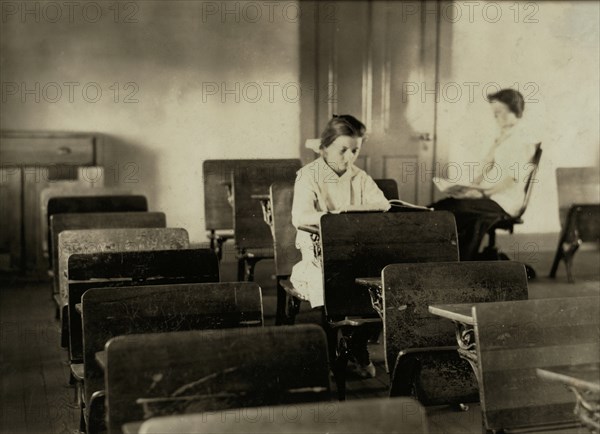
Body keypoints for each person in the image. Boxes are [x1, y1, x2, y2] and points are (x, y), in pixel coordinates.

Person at [290, 114, 390, 378]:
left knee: (382, 280)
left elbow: (381, 206)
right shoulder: (309, 175)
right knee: (329, 281)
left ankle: (356, 343)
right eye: (342, 150)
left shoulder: (360, 177)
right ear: (324, 147)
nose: (349, 157)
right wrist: (336, 219)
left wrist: (367, 211)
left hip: (359, 251)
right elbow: (300, 216)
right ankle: (334, 347)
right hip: (319, 252)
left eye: (355, 150)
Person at [430, 89, 539, 261]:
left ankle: (458, 261)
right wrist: (468, 189)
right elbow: (486, 168)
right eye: (494, 114)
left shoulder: (523, 140)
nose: (496, 118)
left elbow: (512, 179)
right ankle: (451, 258)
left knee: (450, 209)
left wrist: (482, 193)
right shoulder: (504, 137)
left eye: (499, 113)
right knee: (445, 205)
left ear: (514, 110)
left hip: (504, 201)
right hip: (490, 196)